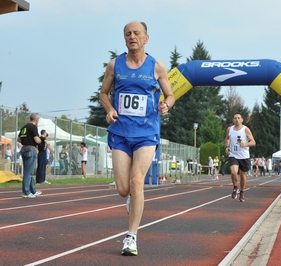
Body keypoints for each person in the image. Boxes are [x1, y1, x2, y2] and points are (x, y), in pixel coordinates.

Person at [99, 21, 174, 256]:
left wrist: (166, 106)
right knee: (123, 189)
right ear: (124, 39)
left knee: (137, 181)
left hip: (146, 133)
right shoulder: (115, 65)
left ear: (146, 38)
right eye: (128, 34)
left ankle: (131, 237)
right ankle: (132, 199)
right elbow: (103, 93)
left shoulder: (157, 66)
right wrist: (109, 109)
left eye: (136, 33)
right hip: (120, 133)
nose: (132, 37)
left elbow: (170, 94)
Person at [225, 112, 256, 202]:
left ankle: (242, 192)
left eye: (238, 118)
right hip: (233, 154)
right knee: (233, 172)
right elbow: (227, 138)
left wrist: (245, 144)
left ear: (242, 120)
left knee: (243, 175)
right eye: (235, 118)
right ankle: (235, 187)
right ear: (233, 120)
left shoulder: (245, 130)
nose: (237, 119)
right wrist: (227, 147)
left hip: (244, 156)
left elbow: (253, 142)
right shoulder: (229, 129)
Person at [17, 113, 42, 198]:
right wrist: (40, 140)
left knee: (29, 171)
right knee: (28, 172)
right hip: (31, 149)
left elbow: (18, 139)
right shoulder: (33, 127)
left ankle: (33, 190)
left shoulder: (24, 127)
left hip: (24, 149)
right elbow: (36, 139)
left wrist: (25, 142)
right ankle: (26, 192)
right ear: (36, 119)